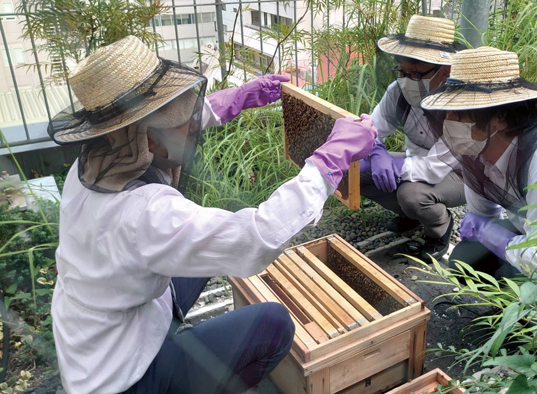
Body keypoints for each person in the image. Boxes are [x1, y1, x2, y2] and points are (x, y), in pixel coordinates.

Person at [47, 36, 377, 394]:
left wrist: (238, 98)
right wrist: (331, 160)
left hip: (101, 324)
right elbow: (255, 238)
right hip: (122, 378)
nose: (191, 125)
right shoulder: (145, 214)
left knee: (211, 253)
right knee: (274, 323)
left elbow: (166, 126)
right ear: (148, 141)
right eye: (181, 120)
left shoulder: (98, 162)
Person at [419, 46, 537, 278]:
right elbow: (482, 216)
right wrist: (485, 230)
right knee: (465, 260)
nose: (449, 121)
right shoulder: (477, 151)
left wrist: (490, 235)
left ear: (501, 118)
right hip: (534, 229)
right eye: (448, 112)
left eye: (460, 113)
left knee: (518, 273)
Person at [361, 15, 467, 260]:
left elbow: (432, 169)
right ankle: (413, 215)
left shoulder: (462, 106)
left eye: (417, 74)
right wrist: (376, 150)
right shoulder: (398, 92)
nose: (408, 80)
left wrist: (393, 164)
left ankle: (438, 228)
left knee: (412, 195)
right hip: (417, 160)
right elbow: (371, 129)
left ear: (446, 70)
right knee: (352, 171)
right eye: (403, 72)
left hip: (461, 173)